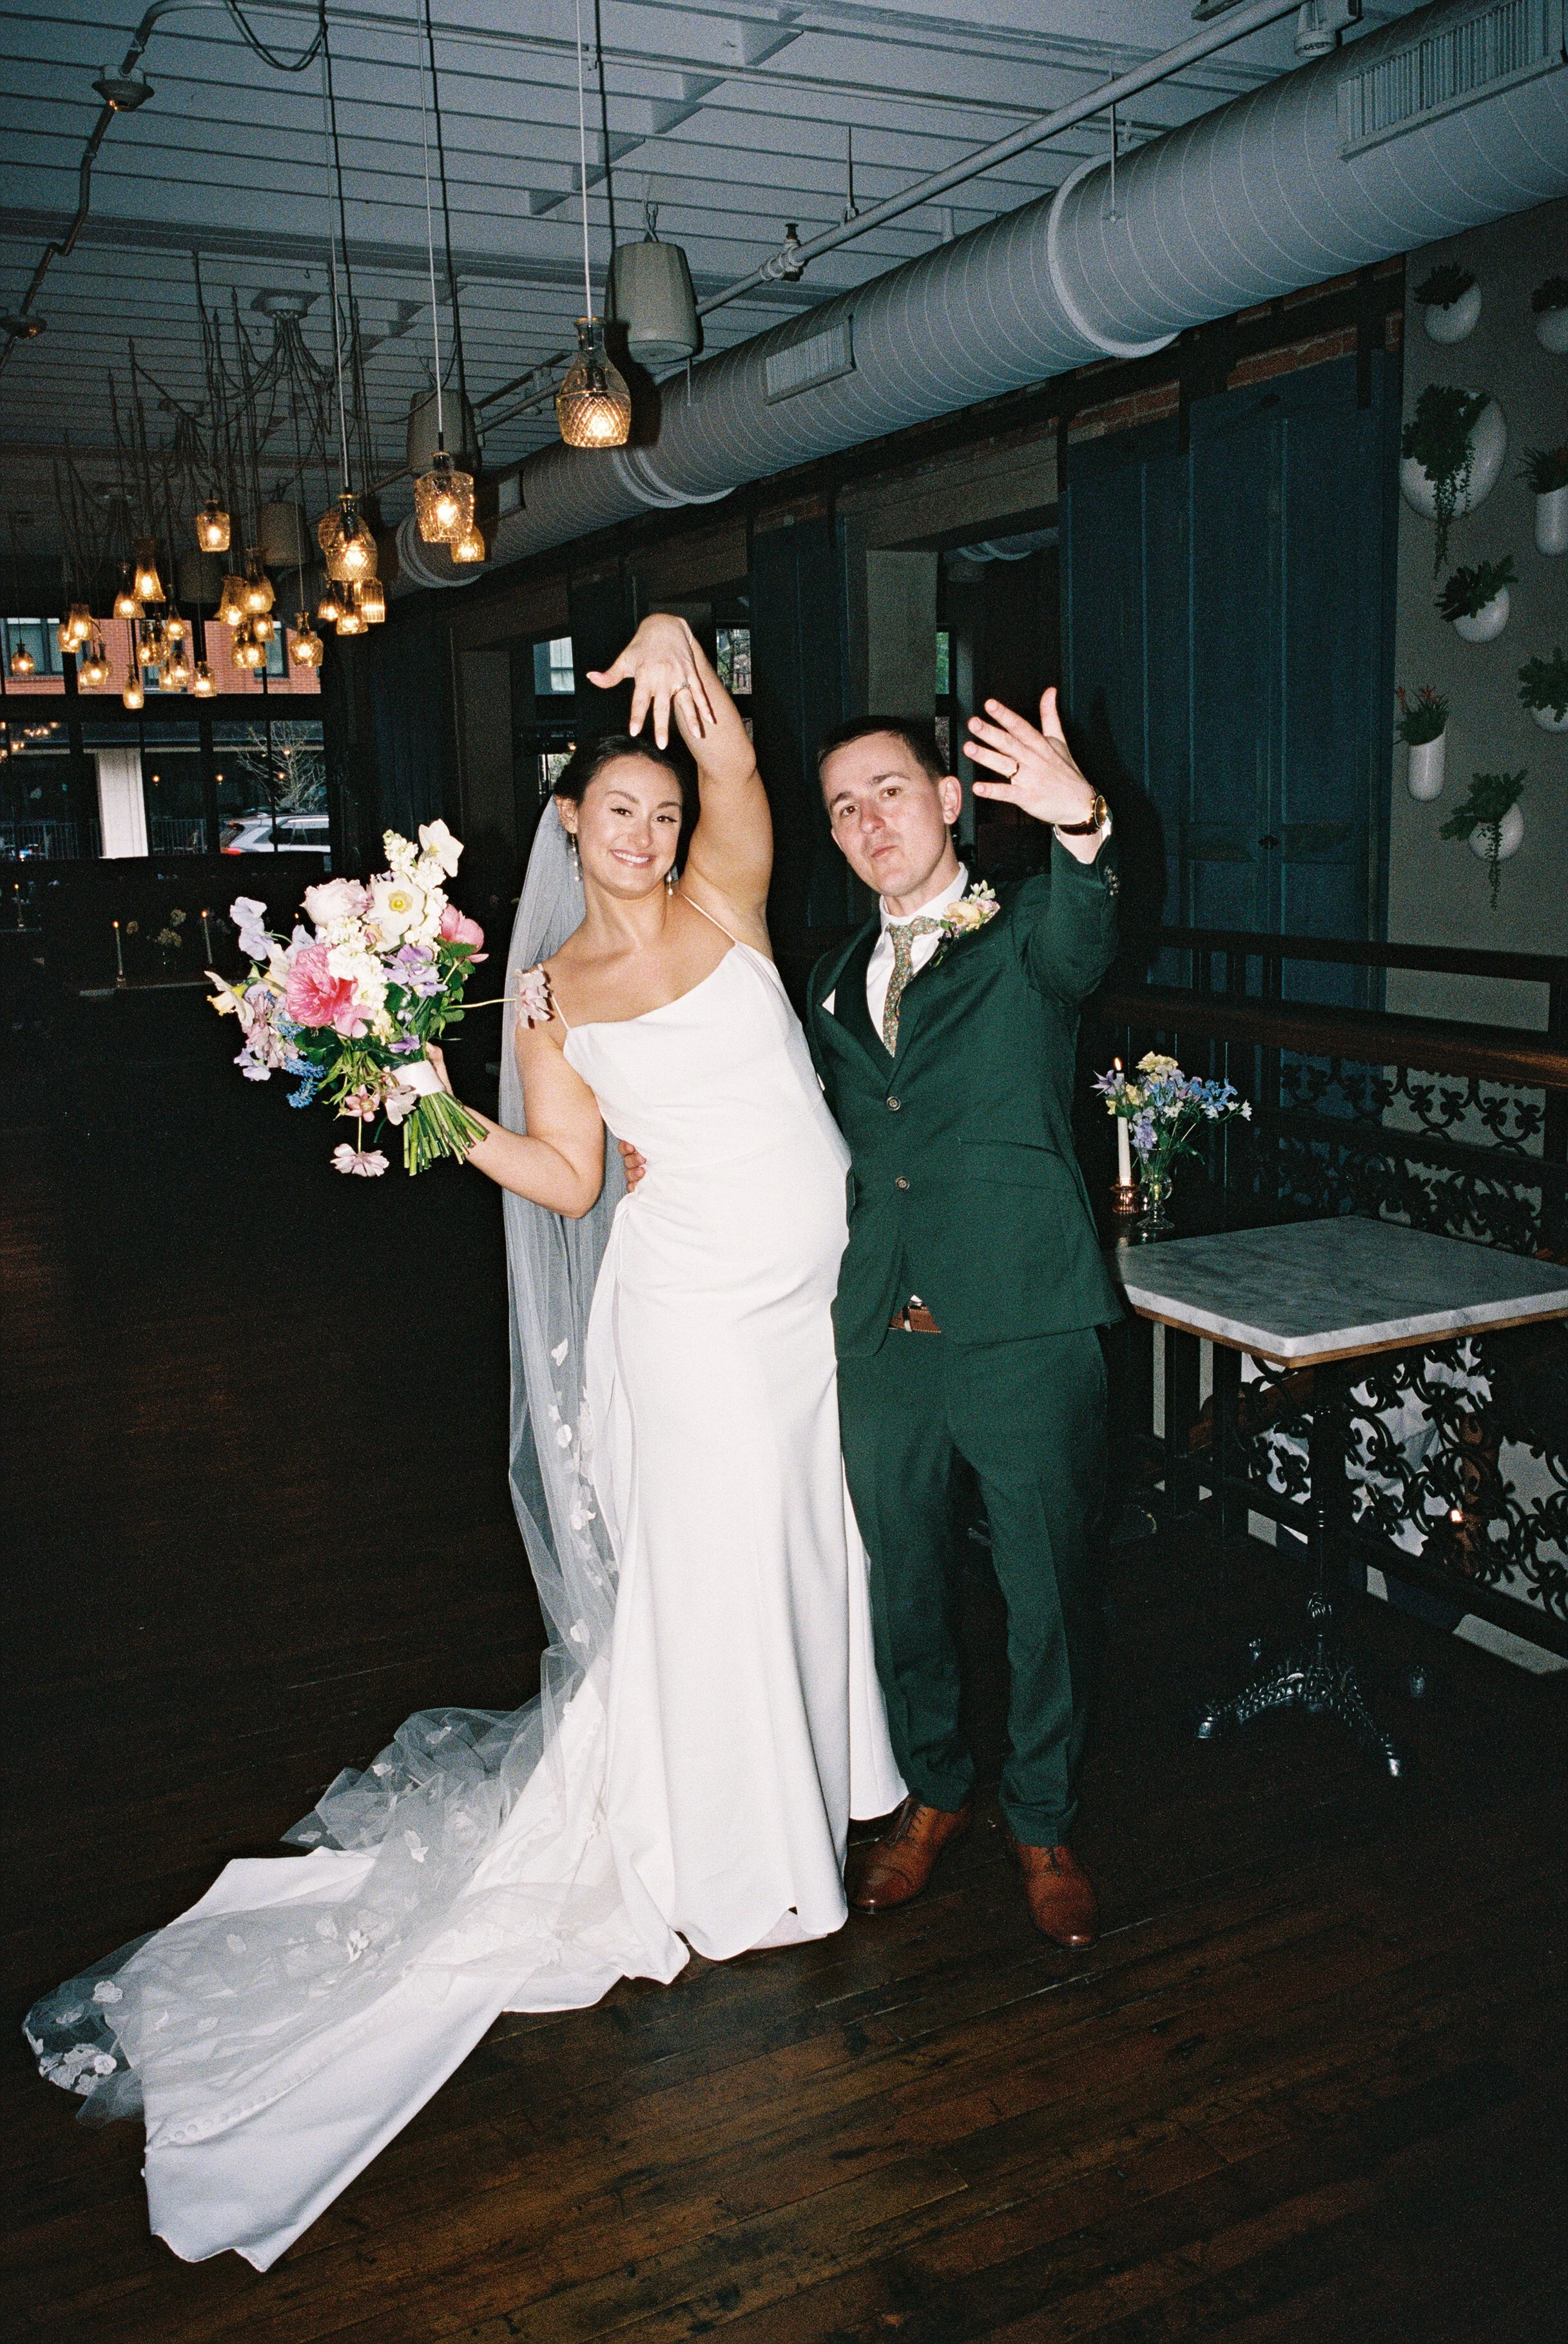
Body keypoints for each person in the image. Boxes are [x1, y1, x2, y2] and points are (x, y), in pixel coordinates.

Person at [24, 614, 902, 2270]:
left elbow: (736, 762)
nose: (645, 835)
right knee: (711, 1575)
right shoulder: (557, 985)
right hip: (692, 1322)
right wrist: (426, 1107)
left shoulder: (729, 900)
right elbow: (573, 1179)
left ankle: (822, 1780)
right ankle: (742, 1856)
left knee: (800, 1546)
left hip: (811, 1313)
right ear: (569, 827)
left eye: (660, 812)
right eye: (616, 814)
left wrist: (672, 648)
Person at [805, 692, 1121, 1948]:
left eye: (891, 790)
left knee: (1045, 1585)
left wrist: (1083, 826)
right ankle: (935, 1792)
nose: (869, 820)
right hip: (883, 1330)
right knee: (905, 1583)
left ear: (948, 801)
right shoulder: (829, 980)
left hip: (1023, 1322)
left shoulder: (1026, 933)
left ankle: (1039, 1817)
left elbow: (1088, 933)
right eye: (843, 807)